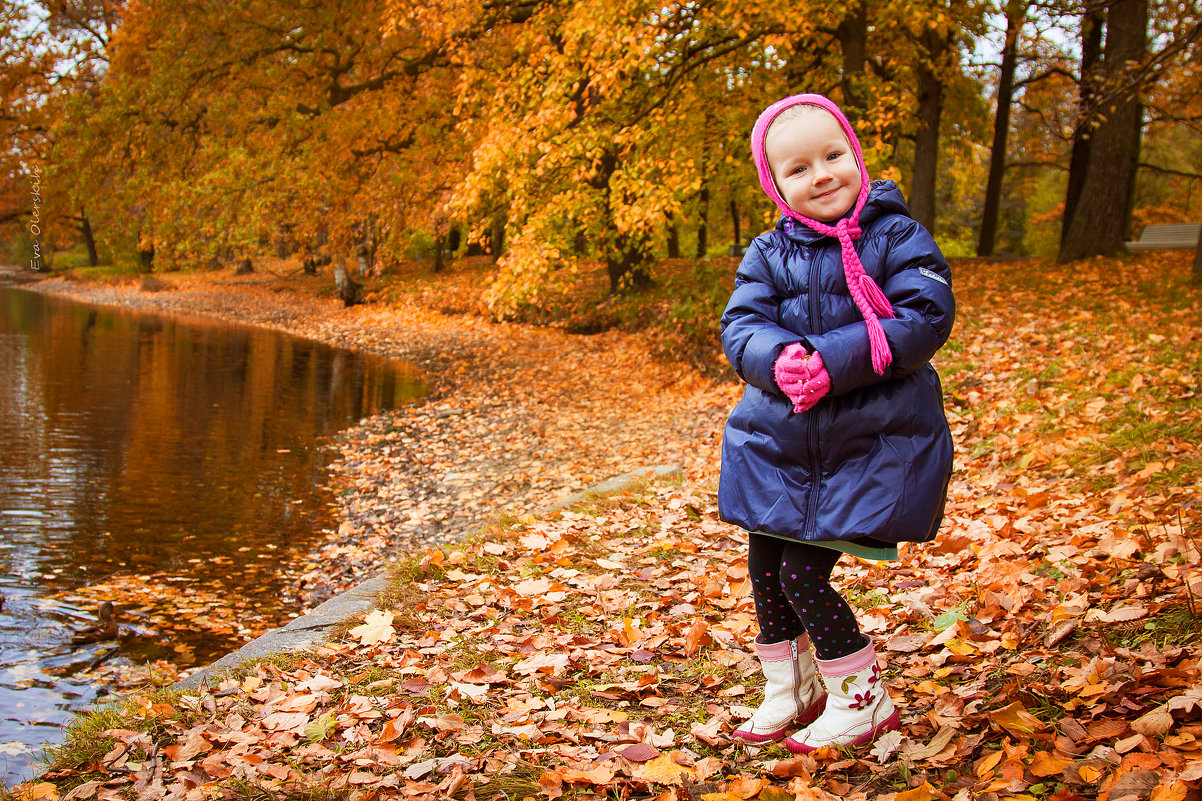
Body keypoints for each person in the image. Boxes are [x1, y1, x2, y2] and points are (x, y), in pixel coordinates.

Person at [719, 93, 954, 753]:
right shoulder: (768, 252)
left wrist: (834, 358)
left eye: (833, 155)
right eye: (799, 168)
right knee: (765, 556)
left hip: (872, 437)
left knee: (801, 571)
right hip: (785, 439)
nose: (821, 174)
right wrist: (780, 359)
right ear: (776, 185)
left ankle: (862, 697)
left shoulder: (897, 235)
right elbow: (741, 324)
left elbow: (925, 313)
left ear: (856, 155)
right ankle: (790, 685)